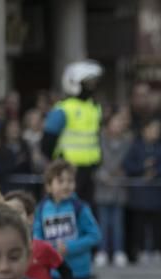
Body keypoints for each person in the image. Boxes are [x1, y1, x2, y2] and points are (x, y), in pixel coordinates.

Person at [32, 159, 101, 279]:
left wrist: (70, 247)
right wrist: (46, 251)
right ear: (49, 186)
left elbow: (95, 235)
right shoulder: (42, 209)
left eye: (70, 181)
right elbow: (37, 236)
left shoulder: (80, 208)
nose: (66, 185)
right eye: (60, 181)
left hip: (78, 271)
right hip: (55, 272)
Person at [3, 190, 75, 279]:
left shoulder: (43, 248)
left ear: (30, 218)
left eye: (17, 212)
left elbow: (66, 272)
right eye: (7, 213)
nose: (12, 217)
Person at [41, 60, 103, 207]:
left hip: (89, 170)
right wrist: (59, 163)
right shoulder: (62, 110)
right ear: (75, 84)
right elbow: (47, 143)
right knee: (66, 209)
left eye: (94, 83)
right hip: (67, 171)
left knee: (86, 212)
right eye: (88, 83)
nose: (92, 87)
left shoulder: (94, 108)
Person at [122, 118, 161, 263]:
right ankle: (141, 250)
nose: (155, 133)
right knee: (140, 226)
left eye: (157, 130)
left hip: (156, 194)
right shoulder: (136, 147)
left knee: (156, 225)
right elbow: (128, 165)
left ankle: (156, 250)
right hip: (140, 195)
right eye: (152, 129)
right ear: (144, 131)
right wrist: (142, 167)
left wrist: (156, 172)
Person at [94, 110, 131, 268]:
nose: (118, 125)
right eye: (115, 122)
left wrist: (122, 173)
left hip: (119, 187)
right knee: (103, 221)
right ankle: (102, 251)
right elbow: (94, 162)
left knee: (118, 222)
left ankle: (118, 251)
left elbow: (129, 163)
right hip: (103, 186)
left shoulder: (127, 142)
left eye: (120, 123)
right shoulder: (99, 140)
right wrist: (103, 175)